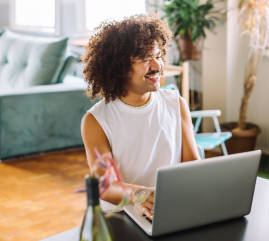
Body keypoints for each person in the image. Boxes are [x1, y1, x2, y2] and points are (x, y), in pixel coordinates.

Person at [80, 14, 201, 220]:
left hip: (167, 209)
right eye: (146, 59)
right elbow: (106, 185)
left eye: (158, 56)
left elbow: (191, 165)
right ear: (119, 67)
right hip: (122, 216)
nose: (156, 65)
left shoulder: (176, 103)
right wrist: (139, 196)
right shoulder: (96, 121)